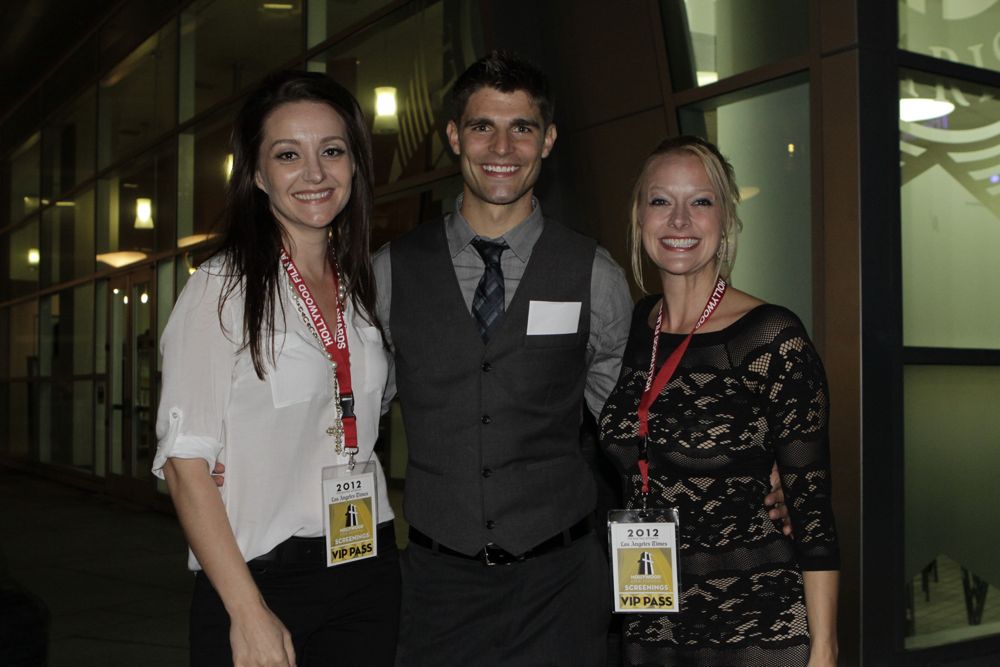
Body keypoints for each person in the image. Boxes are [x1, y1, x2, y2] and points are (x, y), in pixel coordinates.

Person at [372, 50, 633, 665]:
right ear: (453, 137)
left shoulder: (594, 274)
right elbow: (343, 417)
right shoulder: (390, 272)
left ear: (548, 140)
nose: (502, 146)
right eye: (483, 125)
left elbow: (634, 422)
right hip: (436, 588)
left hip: (561, 583)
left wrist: (751, 472)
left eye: (522, 127)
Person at [153, 70, 399, 667]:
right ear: (259, 175)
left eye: (332, 151)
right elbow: (186, 467)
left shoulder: (360, 284)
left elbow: (363, 411)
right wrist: (247, 611)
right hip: (259, 575)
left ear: (354, 166)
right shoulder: (221, 289)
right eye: (289, 154)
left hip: (366, 562)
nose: (314, 173)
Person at [599, 135, 840, 666]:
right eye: (661, 201)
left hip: (756, 625)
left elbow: (813, 510)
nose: (679, 220)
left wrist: (824, 649)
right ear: (640, 217)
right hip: (649, 621)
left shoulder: (772, 337)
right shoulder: (636, 328)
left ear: (727, 219)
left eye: (700, 201)